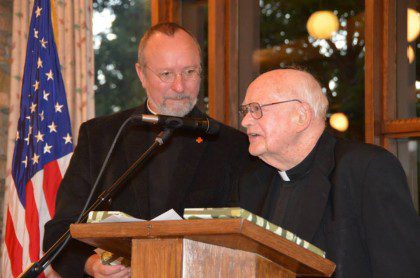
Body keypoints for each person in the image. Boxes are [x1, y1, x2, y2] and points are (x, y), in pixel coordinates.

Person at [43, 22, 251, 277]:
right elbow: (61, 231)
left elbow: (246, 242)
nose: (179, 86)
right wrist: (92, 266)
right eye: (166, 74)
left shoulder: (233, 146)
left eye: (189, 71)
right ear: (141, 75)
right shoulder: (101, 136)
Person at [235, 69, 420, 277]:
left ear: (301, 116)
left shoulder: (366, 169)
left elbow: (401, 270)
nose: (245, 121)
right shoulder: (253, 182)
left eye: (256, 109)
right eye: (245, 111)